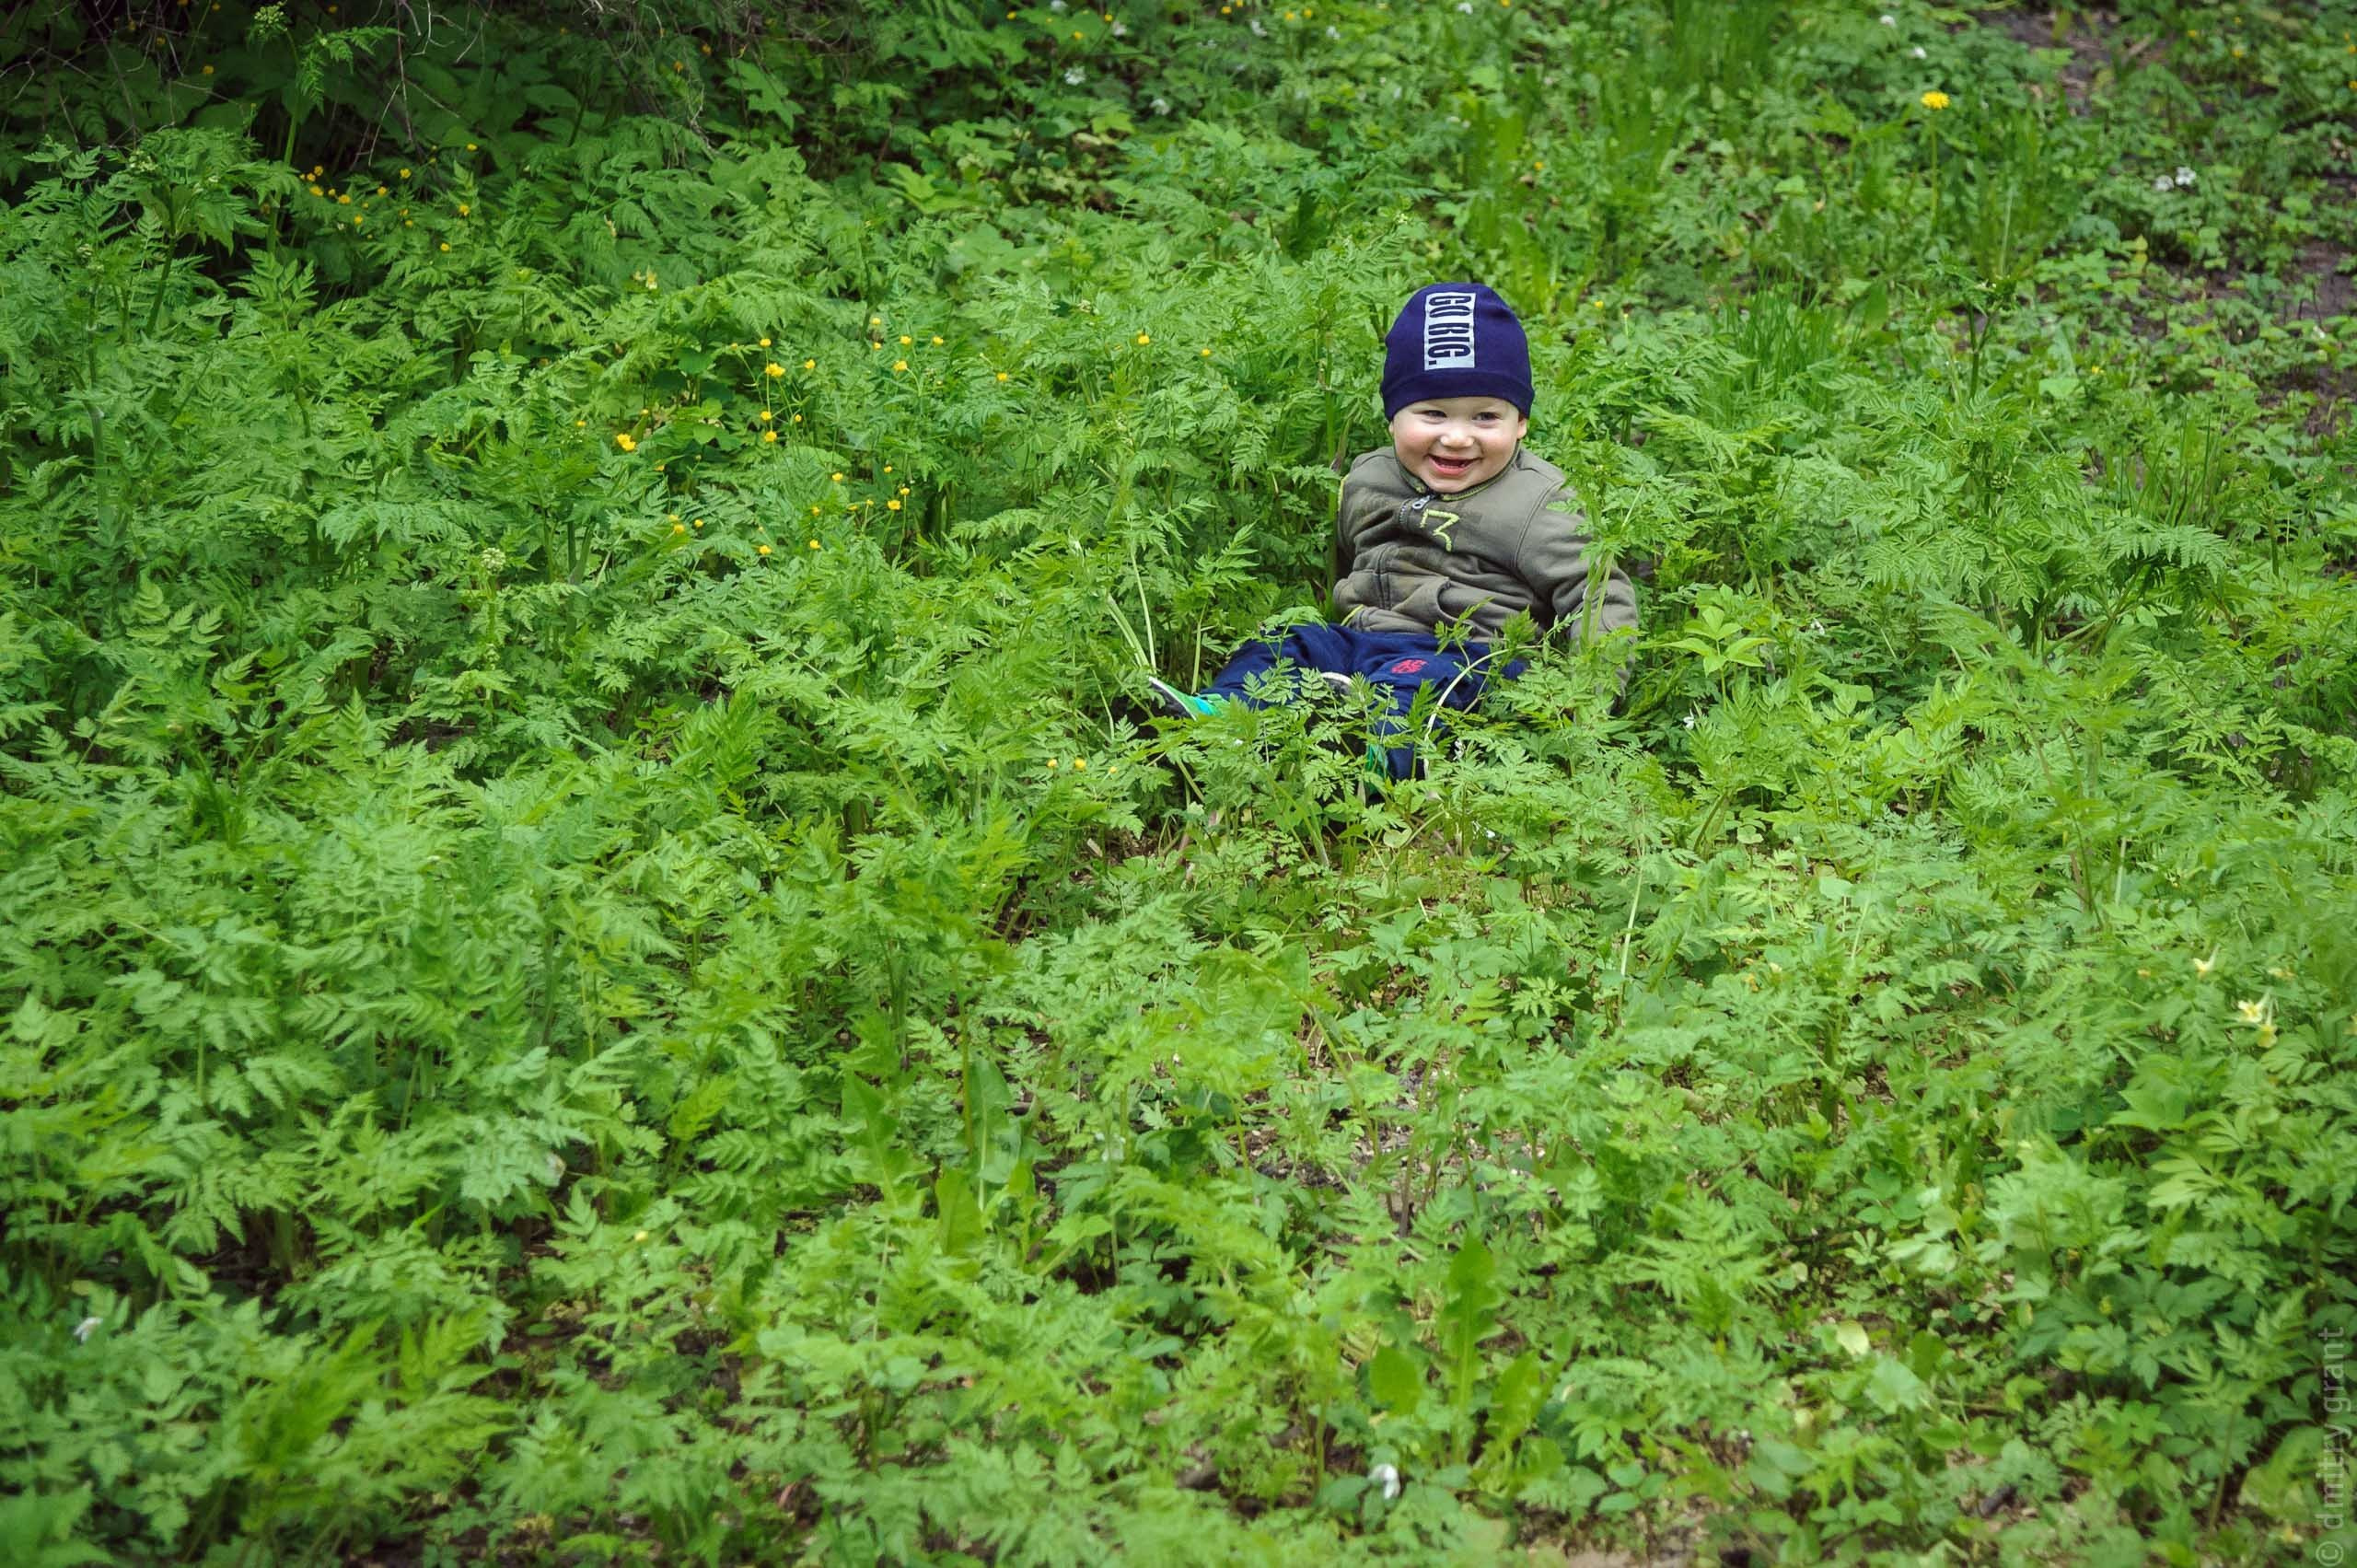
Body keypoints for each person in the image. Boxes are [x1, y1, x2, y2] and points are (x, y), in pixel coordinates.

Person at [1149, 282, 1638, 778]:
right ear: (1392, 417)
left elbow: (1597, 594)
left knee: (1423, 687)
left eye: (1486, 417)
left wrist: (1589, 699)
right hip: (1362, 641)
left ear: (1521, 423)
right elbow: (1351, 557)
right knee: (1287, 641)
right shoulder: (1368, 479)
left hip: (1470, 654)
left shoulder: (1538, 501)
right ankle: (1226, 714)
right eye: (1433, 413)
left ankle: (1375, 754)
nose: (1457, 436)